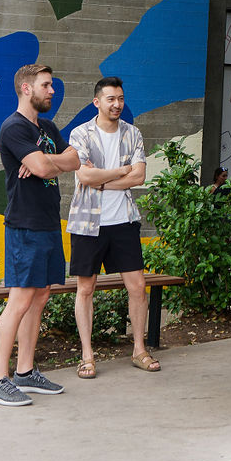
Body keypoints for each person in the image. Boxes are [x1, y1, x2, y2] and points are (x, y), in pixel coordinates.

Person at [0, 62, 80, 406]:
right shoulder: (13, 128)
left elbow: (76, 160)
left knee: (40, 295)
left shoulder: (48, 127)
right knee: (21, 299)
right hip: (24, 224)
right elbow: (46, 166)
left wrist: (47, 158)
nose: (52, 91)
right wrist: (47, 160)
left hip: (47, 222)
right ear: (27, 88)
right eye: (46, 85)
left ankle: (25, 372)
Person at [66, 76, 158, 377]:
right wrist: (120, 171)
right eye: (111, 99)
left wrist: (102, 178)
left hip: (123, 222)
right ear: (97, 102)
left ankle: (139, 350)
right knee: (85, 289)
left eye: (120, 98)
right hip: (87, 222)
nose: (117, 104)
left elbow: (140, 177)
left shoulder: (133, 134)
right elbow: (84, 178)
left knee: (138, 287)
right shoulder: (80, 134)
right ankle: (87, 356)